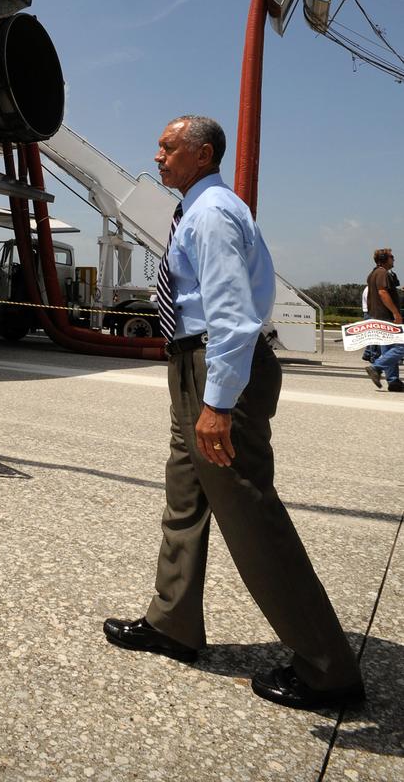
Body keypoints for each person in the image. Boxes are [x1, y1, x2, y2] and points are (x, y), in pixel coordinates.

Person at [104, 115, 364, 710]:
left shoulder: (212, 213)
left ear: (201, 153)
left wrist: (218, 403)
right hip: (192, 366)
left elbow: (235, 313)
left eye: (168, 147)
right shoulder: (202, 209)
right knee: (185, 499)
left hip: (219, 373)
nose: (158, 155)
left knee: (250, 515)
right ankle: (172, 623)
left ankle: (328, 668)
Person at [363, 249, 404, 391]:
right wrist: (396, 314)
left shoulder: (373, 273)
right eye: (392, 257)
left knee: (388, 350)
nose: (394, 259)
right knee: (401, 347)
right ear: (384, 259)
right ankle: (376, 367)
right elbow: (382, 292)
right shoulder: (382, 273)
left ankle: (393, 382)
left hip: (378, 316)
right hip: (386, 317)